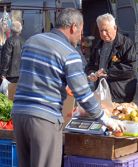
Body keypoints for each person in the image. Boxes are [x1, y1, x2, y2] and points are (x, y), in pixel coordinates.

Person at [11, 8, 124, 167]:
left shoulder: (32, 41)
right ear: (73, 27)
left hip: (19, 114)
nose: (81, 36)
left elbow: (34, 75)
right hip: (44, 119)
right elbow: (83, 94)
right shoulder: (69, 53)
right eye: (81, 31)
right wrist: (105, 119)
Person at [86, 13, 137, 103]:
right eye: (101, 31)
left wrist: (107, 72)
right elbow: (91, 64)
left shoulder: (126, 44)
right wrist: (91, 73)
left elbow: (130, 69)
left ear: (115, 28)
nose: (104, 34)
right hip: (101, 94)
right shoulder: (98, 45)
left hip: (120, 95)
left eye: (106, 30)